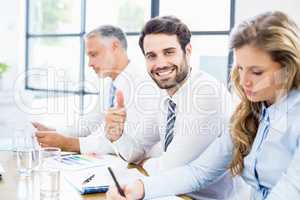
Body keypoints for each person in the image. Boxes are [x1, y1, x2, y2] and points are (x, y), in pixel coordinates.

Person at [107, 11, 300, 200]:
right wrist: (142, 188)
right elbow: (200, 171)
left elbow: (291, 190)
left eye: (256, 72)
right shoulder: (252, 111)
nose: (243, 81)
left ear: (287, 68)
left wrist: (145, 164)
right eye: (240, 68)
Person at [106, 16, 236, 199]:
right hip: (170, 193)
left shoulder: (207, 94)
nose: (160, 64)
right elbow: (135, 151)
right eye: (151, 56)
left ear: (188, 51)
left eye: (169, 52)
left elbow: (170, 169)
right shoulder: (165, 93)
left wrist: (146, 162)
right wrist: (117, 135)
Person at [33, 25, 157, 154]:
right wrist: (54, 132)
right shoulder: (111, 85)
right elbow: (90, 121)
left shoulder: (142, 85)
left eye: (94, 54)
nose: (89, 63)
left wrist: (67, 143)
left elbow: (130, 141)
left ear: (115, 46)